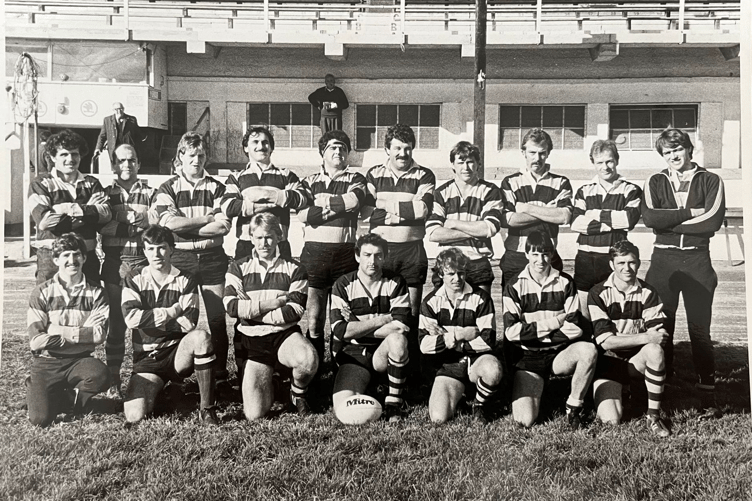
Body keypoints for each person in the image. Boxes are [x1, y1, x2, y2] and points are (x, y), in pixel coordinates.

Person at [641, 128, 726, 418]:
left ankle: (707, 395)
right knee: (662, 328)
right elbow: (651, 217)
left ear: (689, 150)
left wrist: (668, 222)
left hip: (697, 261)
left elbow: (712, 221)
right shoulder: (655, 180)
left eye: (678, 150)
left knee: (699, 331)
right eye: (667, 152)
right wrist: (690, 213)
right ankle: (664, 388)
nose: (673, 156)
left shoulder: (711, 180)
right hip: (662, 261)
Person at [151, 132, 233, 380]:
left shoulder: (218, 187)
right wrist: (205, 218)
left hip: (212, 257)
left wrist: (186, 224)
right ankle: (179, 372)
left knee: (217, 318)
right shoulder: (167, 187)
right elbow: (167, 224)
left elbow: (223, 226)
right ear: (180, 157)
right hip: (181, 259)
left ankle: (218, 372)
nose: (197, 160)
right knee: (182, 316)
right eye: (191, 155)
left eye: (201, 155)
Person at [362, 123, 435, 396]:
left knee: (411, 315)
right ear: (387, 149)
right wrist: (403, 212)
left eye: (407, 148)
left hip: (412, 252)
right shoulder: (373, 174)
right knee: (380, 311)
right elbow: (367, 211)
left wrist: (386, 210)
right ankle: (376, 370)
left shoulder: (424, 174)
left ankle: (410, 373)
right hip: (382, 253)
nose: (402, 153)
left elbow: (423, 209)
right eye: (397, 148)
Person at [223, 213, 317, 420]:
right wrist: (275, 303)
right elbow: (231, 307)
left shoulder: (295, 268)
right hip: (252, 339)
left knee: (308, 360)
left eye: (269, 237)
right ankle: (273, 382)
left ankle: (297, 393)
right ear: (251, 238)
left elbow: (294, 311)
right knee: (254, 414)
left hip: (283, 334)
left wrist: (252, 311)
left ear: (279, 237)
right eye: (258, 237)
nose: (264, 243)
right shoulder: (237, 267)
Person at [122, 225, 218, 425]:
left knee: (200, 337)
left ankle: (207, 409)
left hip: (177, 354)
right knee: (135, 416)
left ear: (171, 249)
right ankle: (165, 390)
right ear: (144, 251)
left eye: (162, 247)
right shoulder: (134, 278)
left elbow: (188, 323)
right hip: (148, 357)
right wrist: (171, 312)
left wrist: (150, 320)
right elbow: (132, 319)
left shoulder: (186, 279)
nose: (156, 254)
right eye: (151, 248)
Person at [503, 231, 596, 429]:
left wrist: (534, 335)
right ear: (526, 253)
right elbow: (511, 332)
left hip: (558, 355)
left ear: (552, 254)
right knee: (524, 420)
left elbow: (575, 328)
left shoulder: (566, 282)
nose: (541, 260)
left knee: (588, 350)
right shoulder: (514, 285)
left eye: (545, 253)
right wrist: (554, 323)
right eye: (535, 254)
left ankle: (573, 406)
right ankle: (539, 390)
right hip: (528, 358)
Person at [297, 130, 367, 366]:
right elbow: (303, 214)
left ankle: (342, 369)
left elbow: (355, 200)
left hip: (345, 257)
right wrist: (339, 205)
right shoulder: (308, 181)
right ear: (322, 153)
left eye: (343, 148)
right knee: (315, 320)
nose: (338, 152)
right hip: (314, 257)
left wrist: (321, 204)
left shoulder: (356, 178)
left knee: (342, 319)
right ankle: (315, 369)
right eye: (333, 148)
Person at [26, 233, 110, 427]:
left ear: (84, 258)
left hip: (79, 360)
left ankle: (69, 398)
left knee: (100, 375)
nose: (72, 261)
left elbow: (99, 335)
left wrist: (56, 330)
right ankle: (39, 389)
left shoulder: (97, 292)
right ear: (56, 260)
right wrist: (81, 332)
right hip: (47, 361)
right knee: (40, 419)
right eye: (65, 255)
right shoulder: (42, 292)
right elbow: (37, 340)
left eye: (76, 254)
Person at [588, 240, 670, 437]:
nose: (627, 268)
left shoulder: (649, 292)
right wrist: (645, 336)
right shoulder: (598, 293)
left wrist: (644, 338)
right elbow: (606, 341)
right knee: (611, 420)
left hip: (636, 361)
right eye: (621, 263)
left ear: (639, 263)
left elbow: (658, 338)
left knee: (655, 351)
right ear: (611, 265)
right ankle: (620, 391)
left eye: (631, 262)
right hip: (608, 361)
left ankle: (653, 416)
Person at [330, 233, 412, 422]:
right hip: (354, 353)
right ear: (357, 256)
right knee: (343, 409)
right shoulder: (343, 284)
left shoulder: (396, 283)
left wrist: (357, 325)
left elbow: (401, 327)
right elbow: (341, 330)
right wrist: (381, 320)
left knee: (397, 340)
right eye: (367, 255)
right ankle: (376, 386)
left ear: (385, 257)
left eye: (378, 255)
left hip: (383, 352)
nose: (372, 261)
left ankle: (393, 403)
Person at [98, 144, 157, 397]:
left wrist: (121, 220)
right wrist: (133, 226)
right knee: (117, 323)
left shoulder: (152, 192)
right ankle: (113, 381)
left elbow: (155, 220)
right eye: (121, 160)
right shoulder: (104, 194)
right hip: (115, 261)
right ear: (113, 164)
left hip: (142, 263)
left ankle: (140, 377)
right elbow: (102, 226)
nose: (127, 165)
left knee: (141, 324)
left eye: (131, 160)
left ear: (139, 164)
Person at [419, 248, 502, 424]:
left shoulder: (481, 298)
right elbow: (424, 345)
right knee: (438, 417)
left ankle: (479, 404)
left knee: (493, 370)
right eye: (451, 274)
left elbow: (488, 341)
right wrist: (460, 334)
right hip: (449, 364)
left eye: (461, 273)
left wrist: (446, 339)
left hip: (476, 359)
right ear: (440, 274)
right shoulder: (430, 302)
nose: (457, 279)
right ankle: (462, 395)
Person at [28, 129, 111, 284]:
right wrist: (88, 211)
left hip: (87, 258)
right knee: (52, 305)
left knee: (87, 305)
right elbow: (45, 221)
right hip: (52, 260)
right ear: (52, 157)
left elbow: (106, 214)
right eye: (64, 154)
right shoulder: (41, 184)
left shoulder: (92, 183)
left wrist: (64, 209)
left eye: (74, 154)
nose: (70, 159)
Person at [570, 140, 642, 318]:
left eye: (609, 161)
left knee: (612, 308)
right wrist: (611, 219)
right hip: (585, 258)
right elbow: (576, 222)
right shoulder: (583, 191)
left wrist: (593, 214)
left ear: (617, 160)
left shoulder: (631, 190)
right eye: (599, 162)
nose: (605, 167)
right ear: (593, 163)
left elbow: (627, 220)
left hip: (613, 258)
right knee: (585, 311)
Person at [426, 141, 504, 293]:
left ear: (478, 164)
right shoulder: (441, 192)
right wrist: (476, 229)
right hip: (447, 263)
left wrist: (453, 223)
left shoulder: (490, 191)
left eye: (470, 162)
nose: (465, 168)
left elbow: (490, 228)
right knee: (447, 313)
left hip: (478, 262)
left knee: (481, 311)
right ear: (453, 165)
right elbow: (434, 233)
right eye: (460, 162)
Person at [221, 126, 308, 260]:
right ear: (245, 148)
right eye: (255, 142)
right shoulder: (236, 177)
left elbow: (301, 198)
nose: (261, 146)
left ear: (271, 148)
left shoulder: (286, 175)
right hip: (246, 245)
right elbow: (228, 206)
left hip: (279, 243)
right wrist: (270, 204)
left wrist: (268, 195)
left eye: (265, 142)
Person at [499, 128, 573, 285]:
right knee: (512, 308)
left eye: (542, 153)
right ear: (523, 152)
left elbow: (564, 216)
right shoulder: (510, 182)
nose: (537, 158)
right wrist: (548, 210)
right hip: (516, 255)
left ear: (548, 153)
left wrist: (525, 208)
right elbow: (508, 220)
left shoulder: (561, 182)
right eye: (532, 152)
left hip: (547, 255)